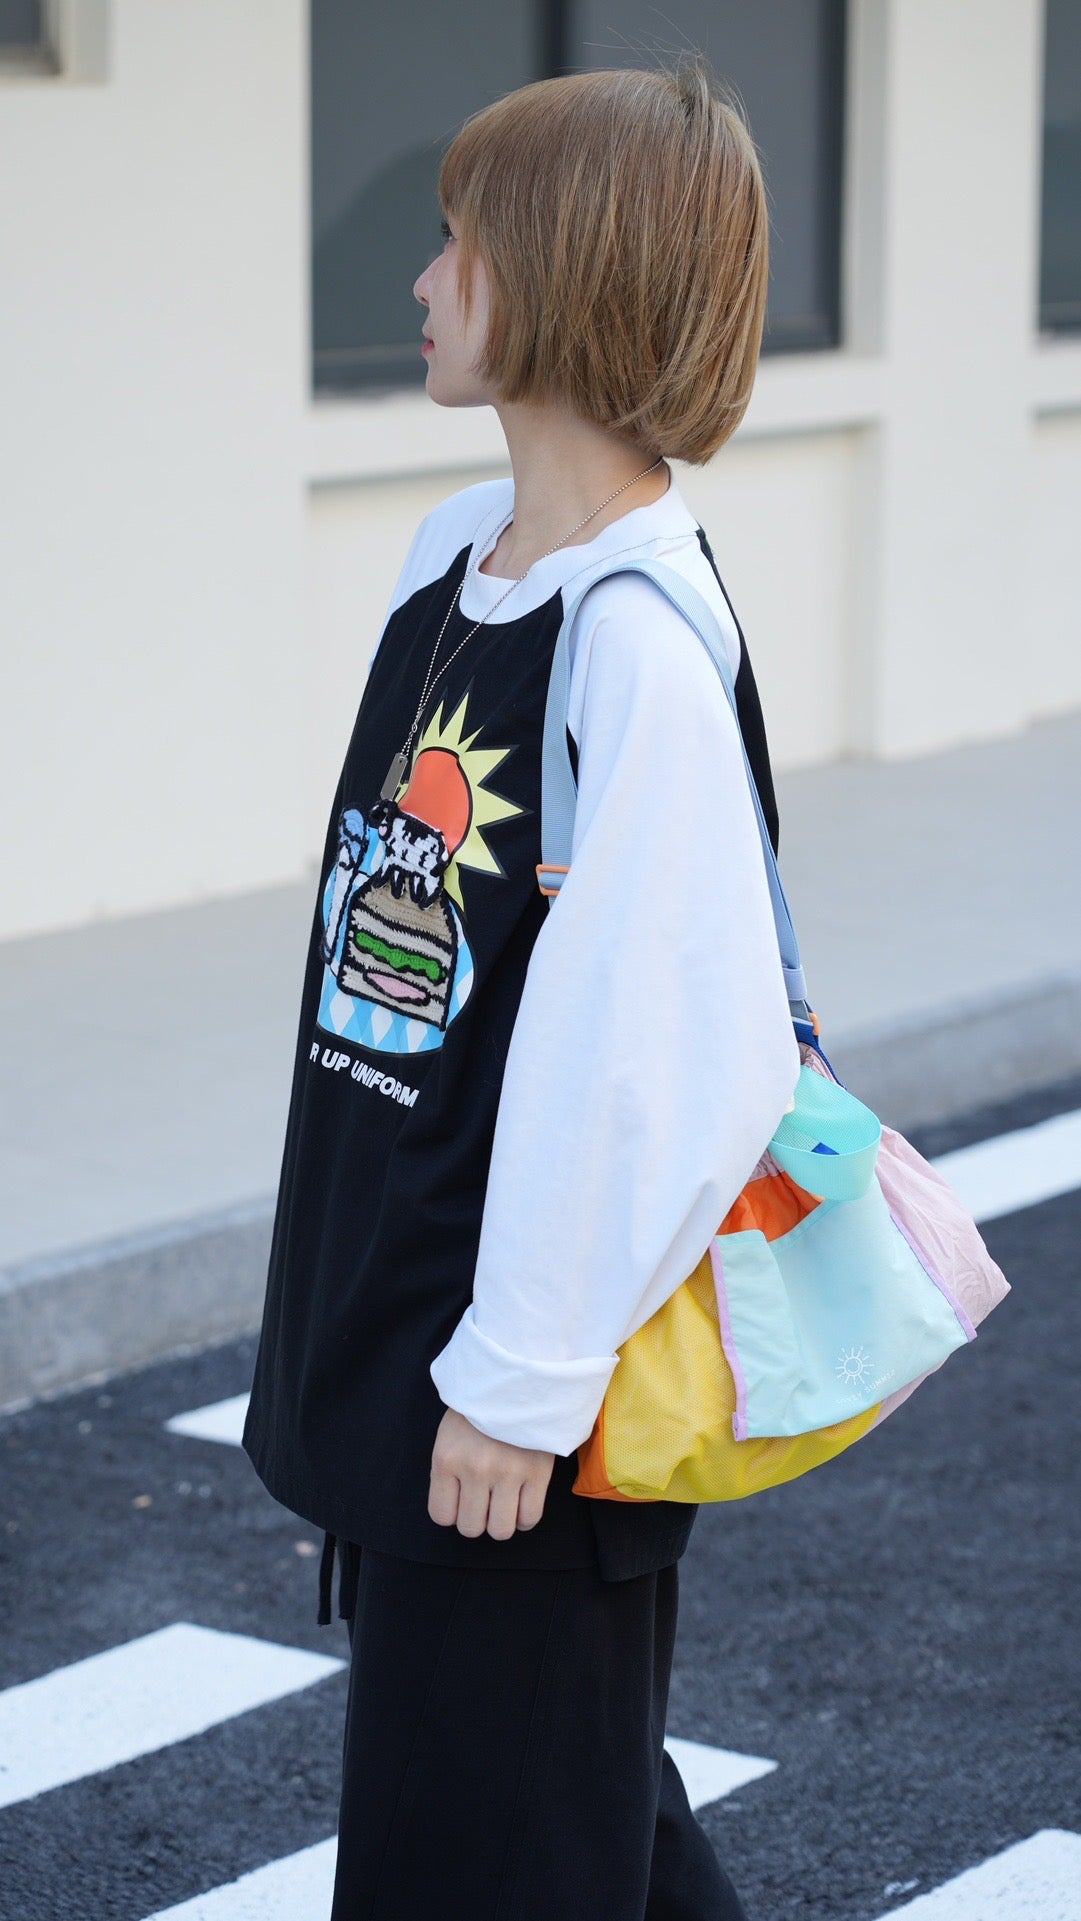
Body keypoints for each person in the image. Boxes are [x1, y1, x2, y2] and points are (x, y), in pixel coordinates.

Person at [242, 56, 801, 1920]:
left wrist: (519, 1380)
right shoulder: (452, 569)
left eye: (456, 242)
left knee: (480, 1855)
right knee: (569, 1825)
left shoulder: (629, 643)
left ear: (551, 275)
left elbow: (667, 1056)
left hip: (506, 1410)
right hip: (414, 1338)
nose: (419, 282)